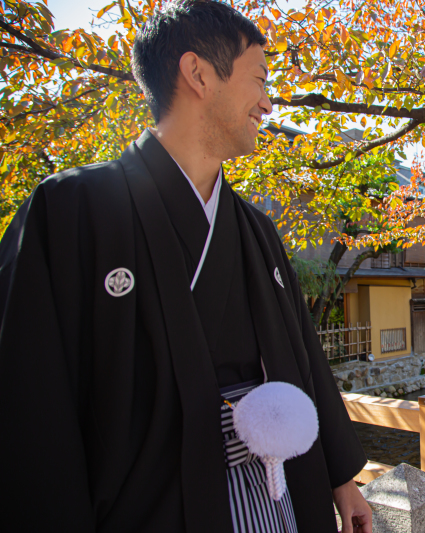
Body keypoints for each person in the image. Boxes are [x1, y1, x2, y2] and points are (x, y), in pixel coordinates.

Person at [0, 2, 372, 532]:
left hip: (277, 496)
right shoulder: (71, 210)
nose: (268, 102)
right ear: (197, 73)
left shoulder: (255, 230)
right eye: (259, 80)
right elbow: (29, 399)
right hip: (152, 510)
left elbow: (302, 356)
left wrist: (339, 475)